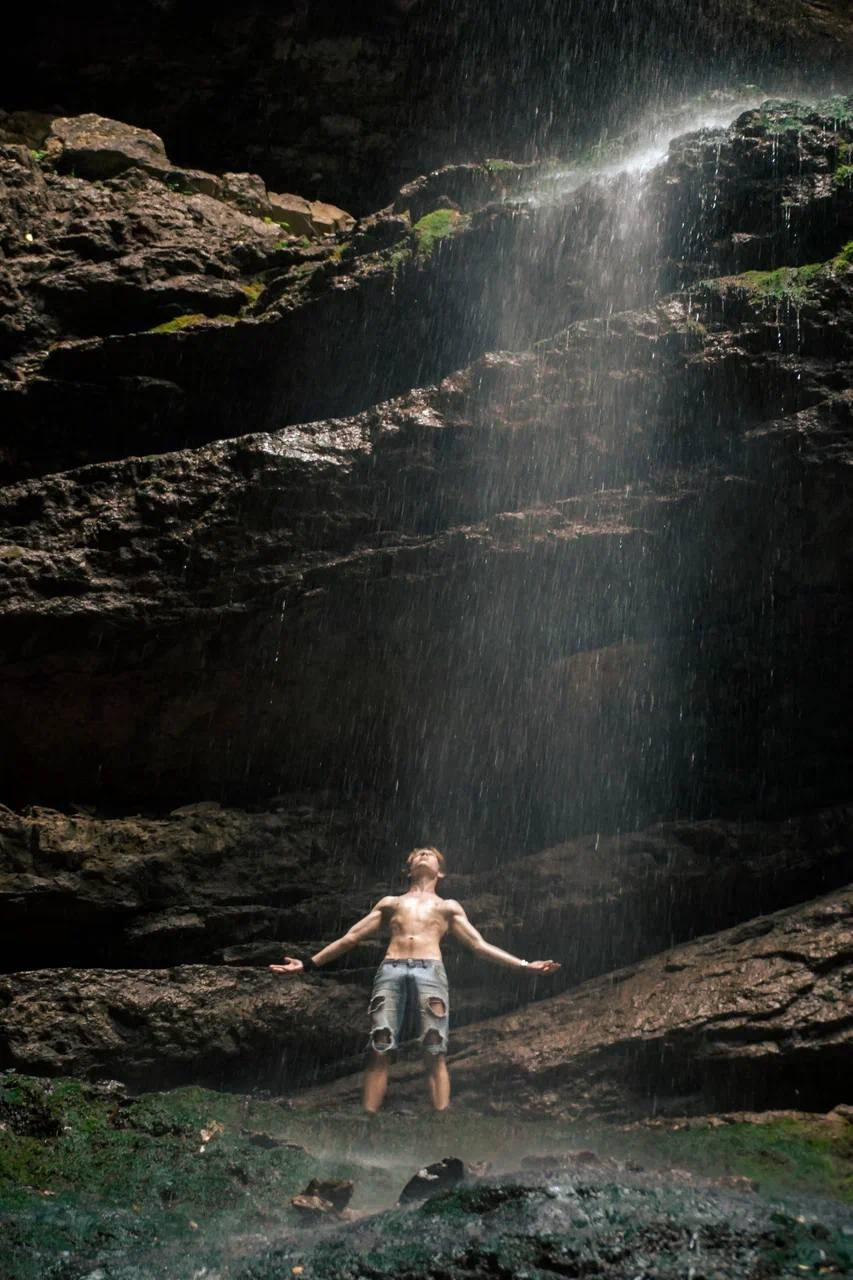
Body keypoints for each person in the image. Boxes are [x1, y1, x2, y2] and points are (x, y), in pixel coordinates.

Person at [270, 845, 560, 1112]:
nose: (422, 855)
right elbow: (351, 937)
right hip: (392, 967)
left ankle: (440, 1124)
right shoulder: (391, 903)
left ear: (441, 871)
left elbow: (478, 945)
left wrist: (525, 965)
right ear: (409, 870)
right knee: (379, 1044)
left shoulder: (448, 907)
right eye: (417, 854)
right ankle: (367, 1121)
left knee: (434, 1046)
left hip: (430, 968)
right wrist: (308, 964)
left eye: (428, 853)